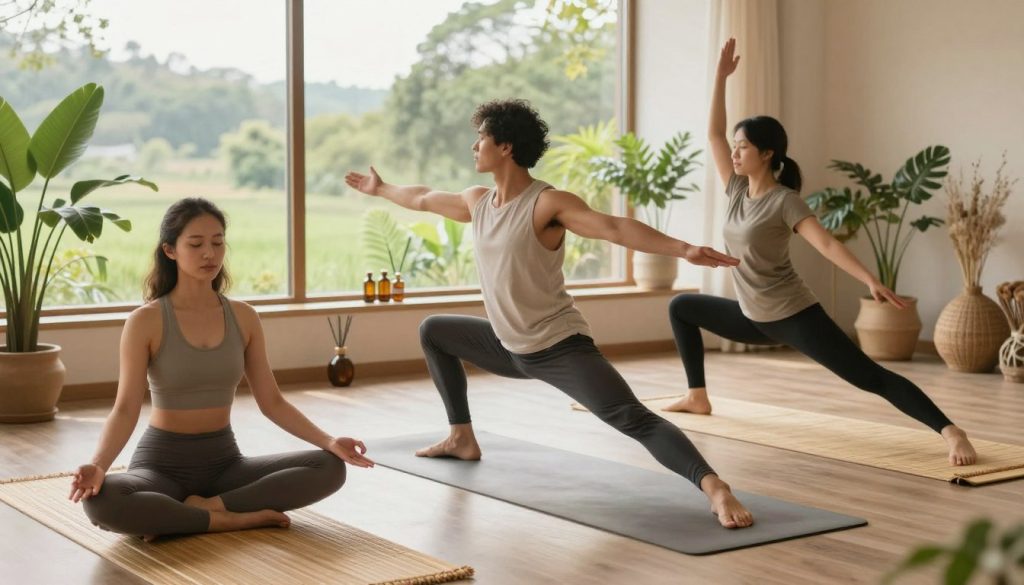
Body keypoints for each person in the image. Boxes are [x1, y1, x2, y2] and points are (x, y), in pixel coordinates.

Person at [346, 99, 754, 528]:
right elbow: (424, 198)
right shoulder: (478, 202)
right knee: (434, 331)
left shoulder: (547, 204)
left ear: (505, 147)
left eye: (481, 137)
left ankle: (715, 488)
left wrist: (685, 249)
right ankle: (462, 436)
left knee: (631, 417)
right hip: (508, 346)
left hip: (559, 348)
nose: (474, 145)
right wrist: (381, 189)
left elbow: (614, 227)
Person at [663, 38, 977, 466]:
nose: (735, 151)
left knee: (870, 377)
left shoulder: (785, 200)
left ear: (768, 153)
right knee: (682, 306)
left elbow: (826, 242)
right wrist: (720, 78)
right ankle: (697, 396)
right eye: (736, 145)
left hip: (793, 317)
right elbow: (713, 134)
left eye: (744, 146)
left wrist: (869, 280)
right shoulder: (736, 188)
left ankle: (951, 431)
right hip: (754, 317)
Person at [69, 198, 375, 540]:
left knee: (330, 467)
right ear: (170, 250)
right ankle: (231, 518)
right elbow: (125, 408)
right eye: (196, 244)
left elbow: (272, 401)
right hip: (160, 466)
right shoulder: (146, 321)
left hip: (225, 465)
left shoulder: (244, 317)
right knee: (102, 501)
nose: (209, 254)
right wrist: (99, 466)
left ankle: (202, 510)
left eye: (217, 243)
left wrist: (330, 441)